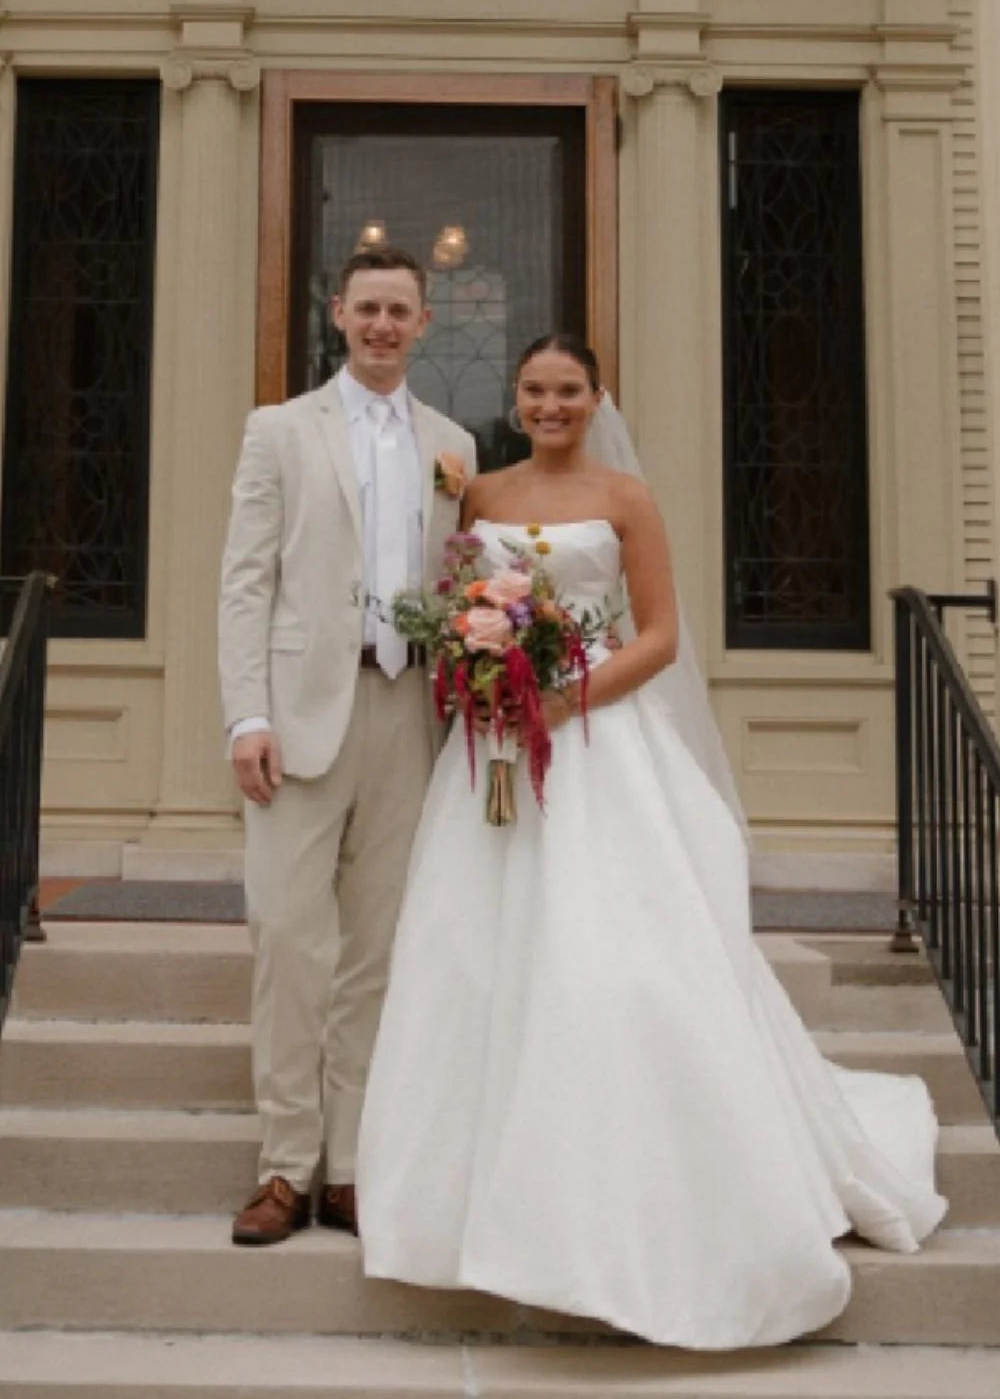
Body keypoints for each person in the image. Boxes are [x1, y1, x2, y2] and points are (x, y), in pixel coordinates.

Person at [355, 333, 946, 1349]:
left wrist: (559, 692)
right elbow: (460, 606)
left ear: (594, 398)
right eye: (535, 390)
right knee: (470, 958)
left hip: (593, 736)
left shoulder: (626, 497)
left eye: (568, 391)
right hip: (496, 749)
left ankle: (636, 1206)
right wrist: (485, 675)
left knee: (613, 961)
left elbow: (661, 634)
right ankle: (469, 1206)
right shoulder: (482, 496)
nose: (550, 405)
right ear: (517, 397)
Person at [218, 246, 476, 1246]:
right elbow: (246, 580)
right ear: (337, 314)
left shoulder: (453, 443)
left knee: (376, 952)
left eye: (397, 310)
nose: (379, 324)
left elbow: (457, 581)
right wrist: (248, 713)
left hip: (409, 718)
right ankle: (284, 1165)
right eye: (365, 306)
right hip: (297, 717)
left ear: (422, 324)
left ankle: (353, 1165)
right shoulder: (280, 431)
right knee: (288, 940)